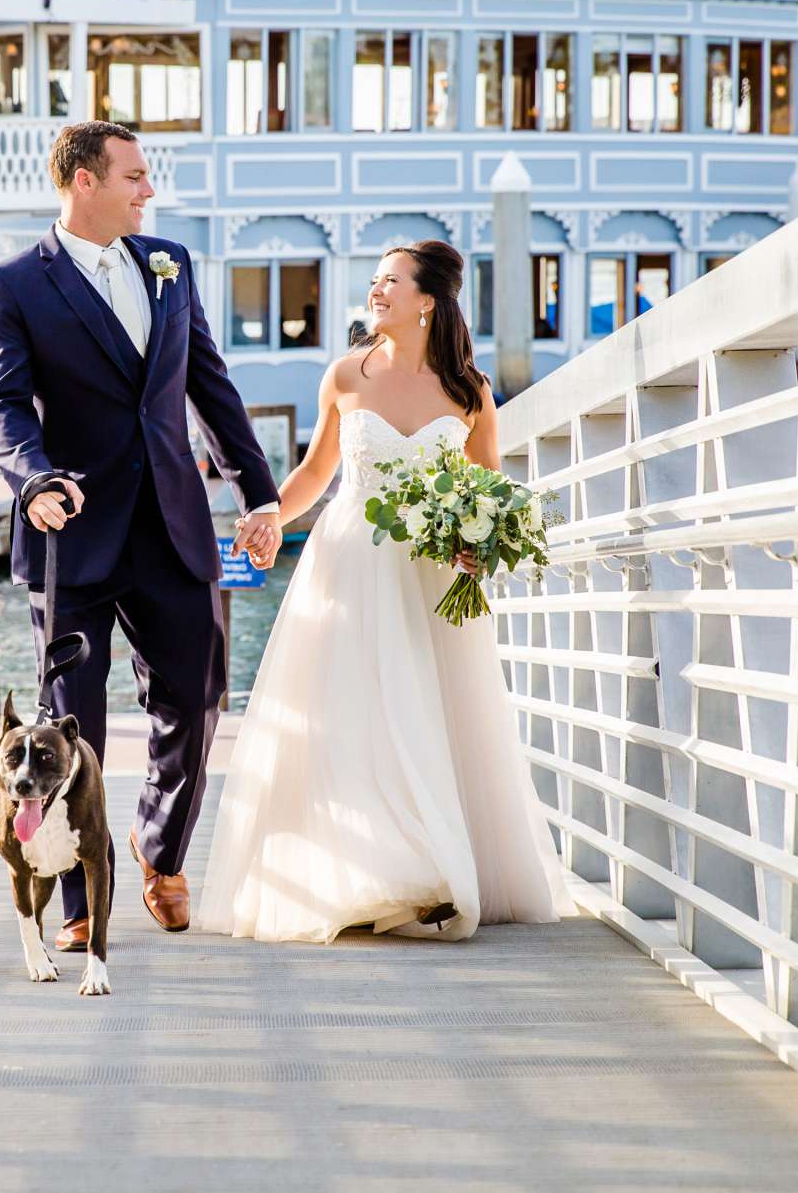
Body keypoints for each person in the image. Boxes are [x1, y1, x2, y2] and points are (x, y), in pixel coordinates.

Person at [193, 239, 562, 943]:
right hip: (350, 563)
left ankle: (435, 866)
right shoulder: (346, 375)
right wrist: (270, 516)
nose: (377, 291)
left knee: (428, 713)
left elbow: (489, 484)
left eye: (391, 281)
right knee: (349, 714)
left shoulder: (470, 391)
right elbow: (313, 475)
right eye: (375, 280)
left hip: (432, 574)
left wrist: (476, 544)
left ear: (428, 299)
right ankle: (367, 872)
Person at [0, 121, 282, 951]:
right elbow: (1, 404)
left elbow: (207, 383)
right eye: (135, 176)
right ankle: (80, 897)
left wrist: (260, 493)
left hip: (174, 524)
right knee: (71, 720)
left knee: (198, 692)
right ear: (84, 182)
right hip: (69, 530)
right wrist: (32, 478)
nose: (149, 192)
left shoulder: (168, 263)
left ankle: (159, 848)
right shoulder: (13, 283)